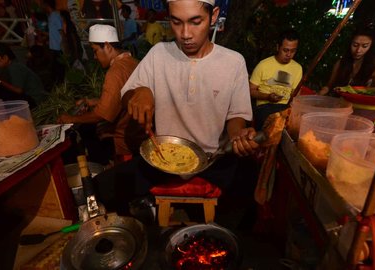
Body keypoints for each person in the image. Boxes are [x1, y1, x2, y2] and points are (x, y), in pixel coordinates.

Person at [100, 0, 259, 208]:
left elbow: (236, 115)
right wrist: (140, 91)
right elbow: (127, 94)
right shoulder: (159, 54)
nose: (185, 34)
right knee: (102, 188)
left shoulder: (233, 62)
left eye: (195, 22)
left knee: (249, 196)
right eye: (176, 22)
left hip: (212, 159)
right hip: (163, 158)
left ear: (213, 16)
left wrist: (238, 134)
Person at [57, 24, 143, 164]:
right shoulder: (132, 62)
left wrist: (71, 118)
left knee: (88, 135)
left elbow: (102, 115)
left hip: (125, 141)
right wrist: (95, 101)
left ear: (108, 46)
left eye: (95, 51)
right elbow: (124, 96)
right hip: (139, 132)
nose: (95, 57)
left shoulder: (115, 72)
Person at [249, 28, 302, 131]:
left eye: (293, 51)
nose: (289, 54)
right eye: (285, 50)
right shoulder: (263, 65)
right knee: (273, 124)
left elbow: (296, 96)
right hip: (265, 107)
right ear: (278, 47)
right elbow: (250, 91)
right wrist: (267, 96)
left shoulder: (298, 68)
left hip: (286, 107)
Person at [320, 26, 375, 96]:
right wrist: (323, 91)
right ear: (350, 44)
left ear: (371, 47)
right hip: (339, 103)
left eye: (364, 46)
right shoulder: (340, 63)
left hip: (362, 105)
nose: (358, 50)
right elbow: (330, 86)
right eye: (355, 45)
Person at [0, 44, 48, 108]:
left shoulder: (15, 67)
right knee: (2, 90)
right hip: (32, 98)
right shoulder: (12, 66)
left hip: (36, 101)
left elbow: (18, 90)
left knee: (3, 92)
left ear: (5, 58)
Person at [42, 0, 64, 84]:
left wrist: (64, 45)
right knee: (56, 70)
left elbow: (61, 30)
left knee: (58, 70)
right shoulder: (51, 16)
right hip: (54, 47)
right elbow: (53, 32)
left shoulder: (55, 15)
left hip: (58, 47)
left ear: (46, 5)